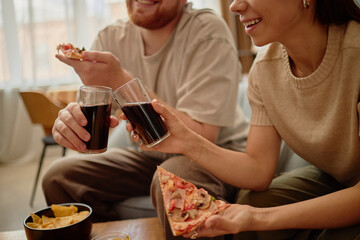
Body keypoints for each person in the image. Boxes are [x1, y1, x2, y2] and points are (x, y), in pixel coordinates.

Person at [124, 0, 360, 239]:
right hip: (337, 180)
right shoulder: (266, 68)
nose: (234, 6)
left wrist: (259, 218)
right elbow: (258, 170)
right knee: (248, 205)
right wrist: (187, 141)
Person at [42, 0, 249, 239]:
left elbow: (201, 136)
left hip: (212, 154)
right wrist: (73, 127)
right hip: (148, 154)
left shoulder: (207, 32)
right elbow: (99, 129)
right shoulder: (110, 37)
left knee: (173, 180)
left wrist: (121, 81)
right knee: (59, 176)